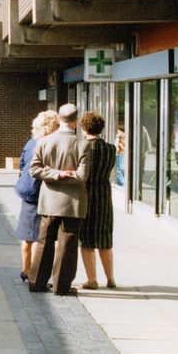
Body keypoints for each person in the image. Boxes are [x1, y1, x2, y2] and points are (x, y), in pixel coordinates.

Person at [29, 103, 90, 296]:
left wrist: (55, 173)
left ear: (58, 120)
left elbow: (34, 170)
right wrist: (66, 174)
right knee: (68, 245)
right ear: (77, 121)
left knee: (44, 242)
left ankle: (36, 281)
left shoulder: (44, 142)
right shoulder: (82, 144)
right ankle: (61, 286)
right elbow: (82, 176)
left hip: (49, 201)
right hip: (72, 203)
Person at [15, 110, 59, 284]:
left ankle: (25, 269)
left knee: (27, 235)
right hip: (39, 191)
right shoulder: (48, 144)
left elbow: (22, 164)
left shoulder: (31, 142)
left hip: (26, 190)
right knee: (38, 237)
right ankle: (34, 273)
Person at [79, 112, 117, 289]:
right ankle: (110, 278)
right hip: (104, 194)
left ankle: (92, 279)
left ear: (84, 128)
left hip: (87, 194)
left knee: (87, 240)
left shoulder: (83, 147)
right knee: (105, 239)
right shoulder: (111, 148)